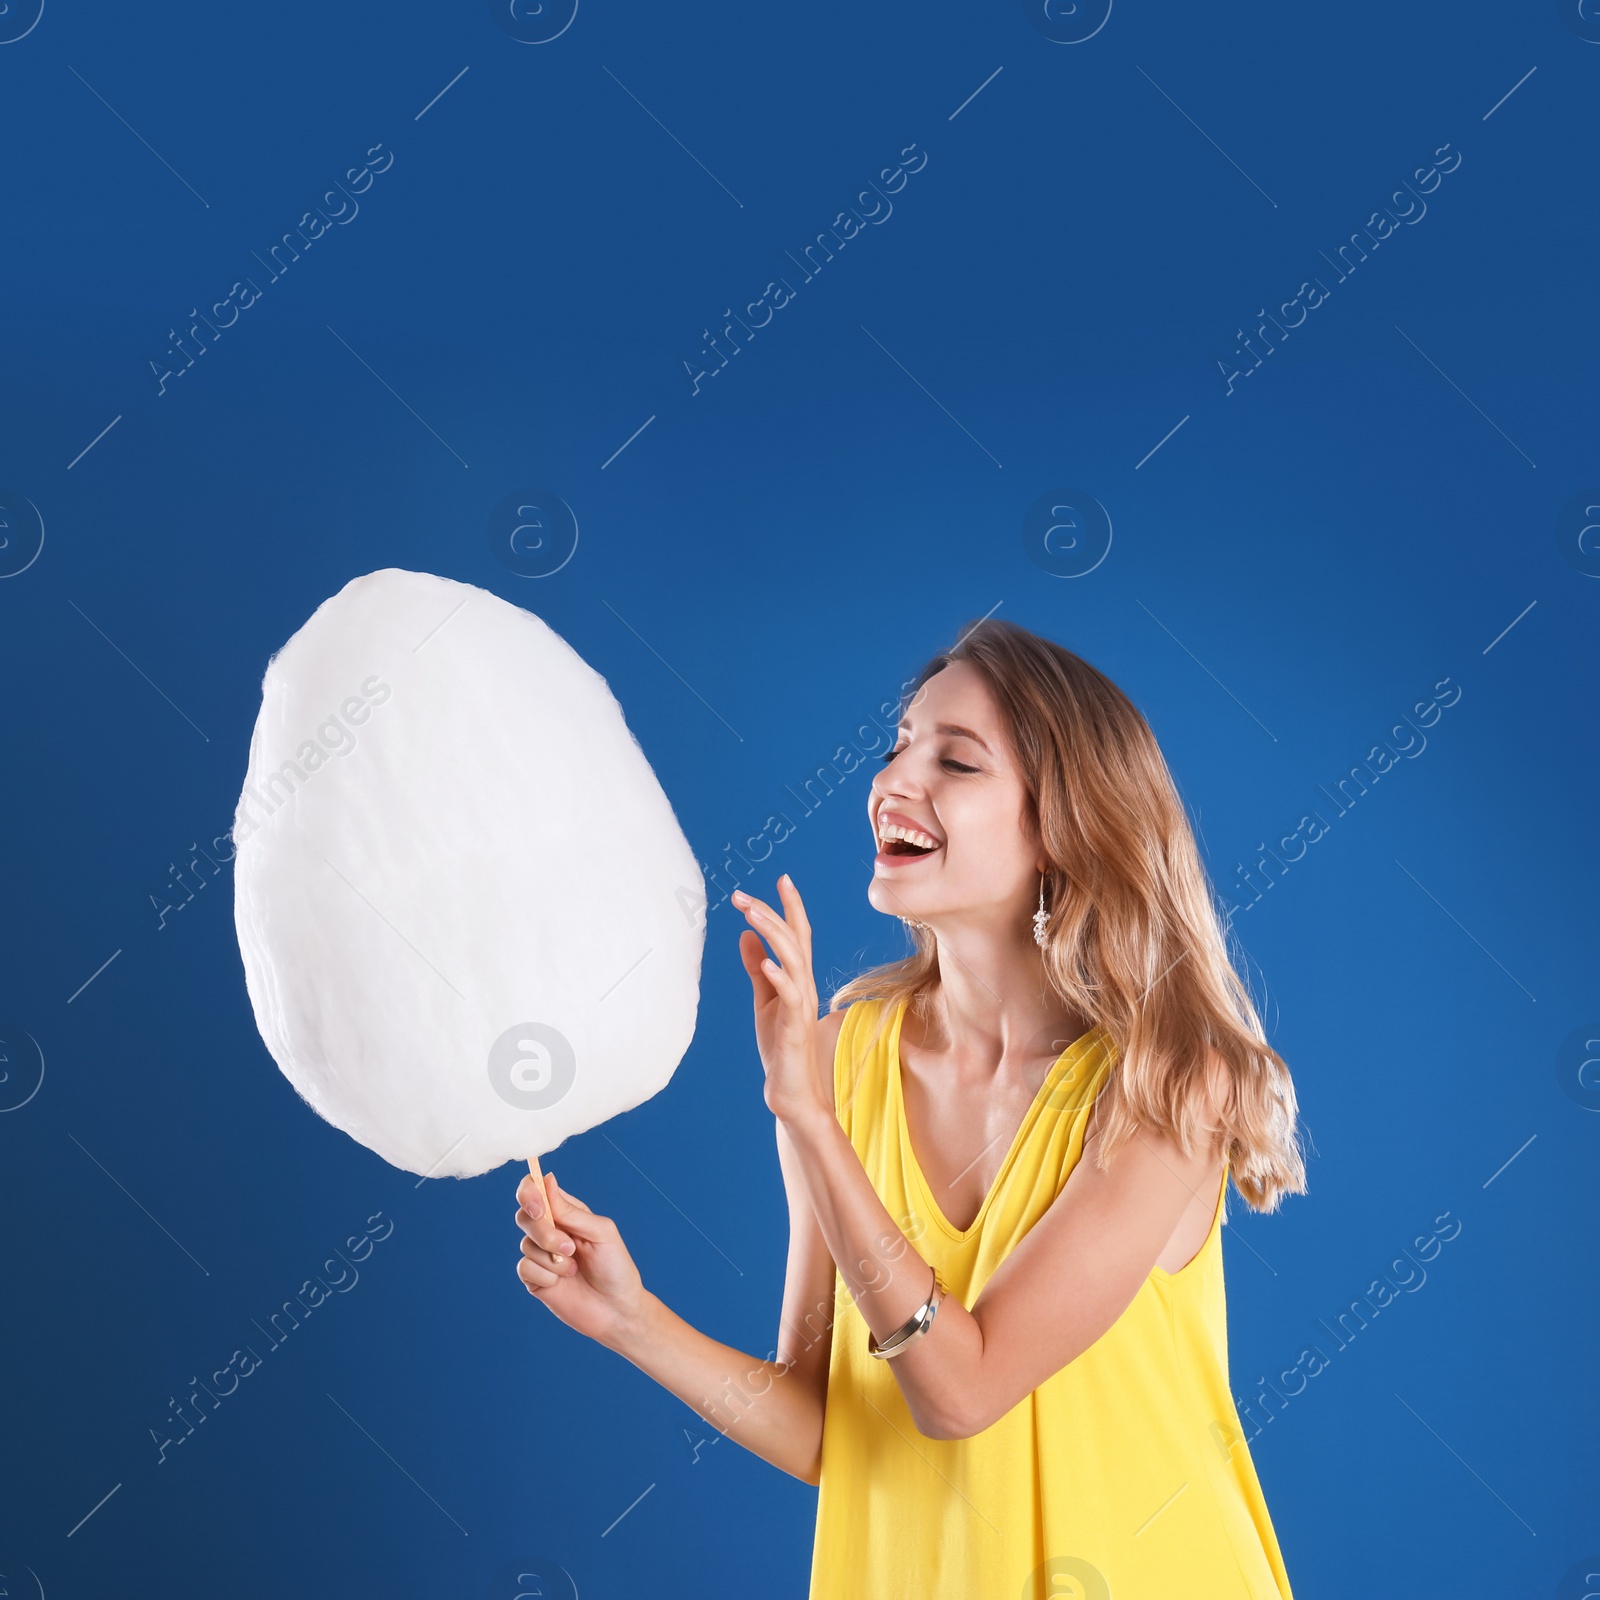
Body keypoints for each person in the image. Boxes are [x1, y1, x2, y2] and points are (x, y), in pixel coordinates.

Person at [512, 617, 1306, 1598]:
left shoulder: (1170, 1084)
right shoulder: (838, 1058)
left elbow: (960, 1390)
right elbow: (827, 1424)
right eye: (896, 745)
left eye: (955, 761)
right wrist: (631, 1318)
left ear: (1060, 824)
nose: (894, 778)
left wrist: (805, 1117)